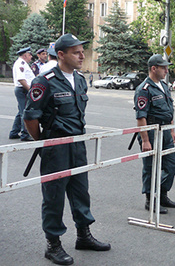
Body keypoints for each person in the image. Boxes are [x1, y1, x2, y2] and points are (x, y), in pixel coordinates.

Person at [23, 33, 110, 265]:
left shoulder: (80, 80)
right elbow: (30, 117)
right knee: (54, 196)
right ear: (61, 55)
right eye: (76, 52)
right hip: (56, 145)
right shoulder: (45, 80)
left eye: (82, 51)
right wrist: (43, 141)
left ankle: (84, 235)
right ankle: (53, 244)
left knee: (81, 190)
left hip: (77, 144)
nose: (82, 55)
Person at [134, 54, 175, 215]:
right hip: (152, 132)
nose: (167, 70)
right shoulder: (144, 89)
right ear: (154, 68)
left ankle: (162, 194)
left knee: (171, 165)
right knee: (151, 168)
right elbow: (141, 117)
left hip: (166, 131)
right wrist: (145, 140)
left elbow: (169, 109)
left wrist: (172, 130)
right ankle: (150, 199)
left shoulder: (164, 86)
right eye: (163, 67)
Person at [9, 46, 35, 141]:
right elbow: (21, 79)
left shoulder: (22, 63)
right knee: (24, 112)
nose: (31, 57)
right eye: (29, 55)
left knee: (21, 111)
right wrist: (29, 90)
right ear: (25, 55)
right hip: (23, 90)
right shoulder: (21, 64)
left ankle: (14, 132)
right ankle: (25, 134)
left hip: (22, 90)